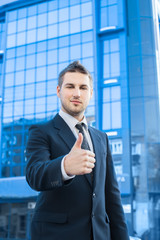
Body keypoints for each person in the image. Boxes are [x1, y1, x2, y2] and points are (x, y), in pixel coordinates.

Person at [26, 61, 130, 240]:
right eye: (70, 86)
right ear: (59, 91)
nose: (76, 93)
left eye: (83, 87)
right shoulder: (41, 131)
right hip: (56, 235)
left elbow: (111, 196)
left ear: (90, 93)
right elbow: (34, 175)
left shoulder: (101, 138)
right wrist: (65, 166)